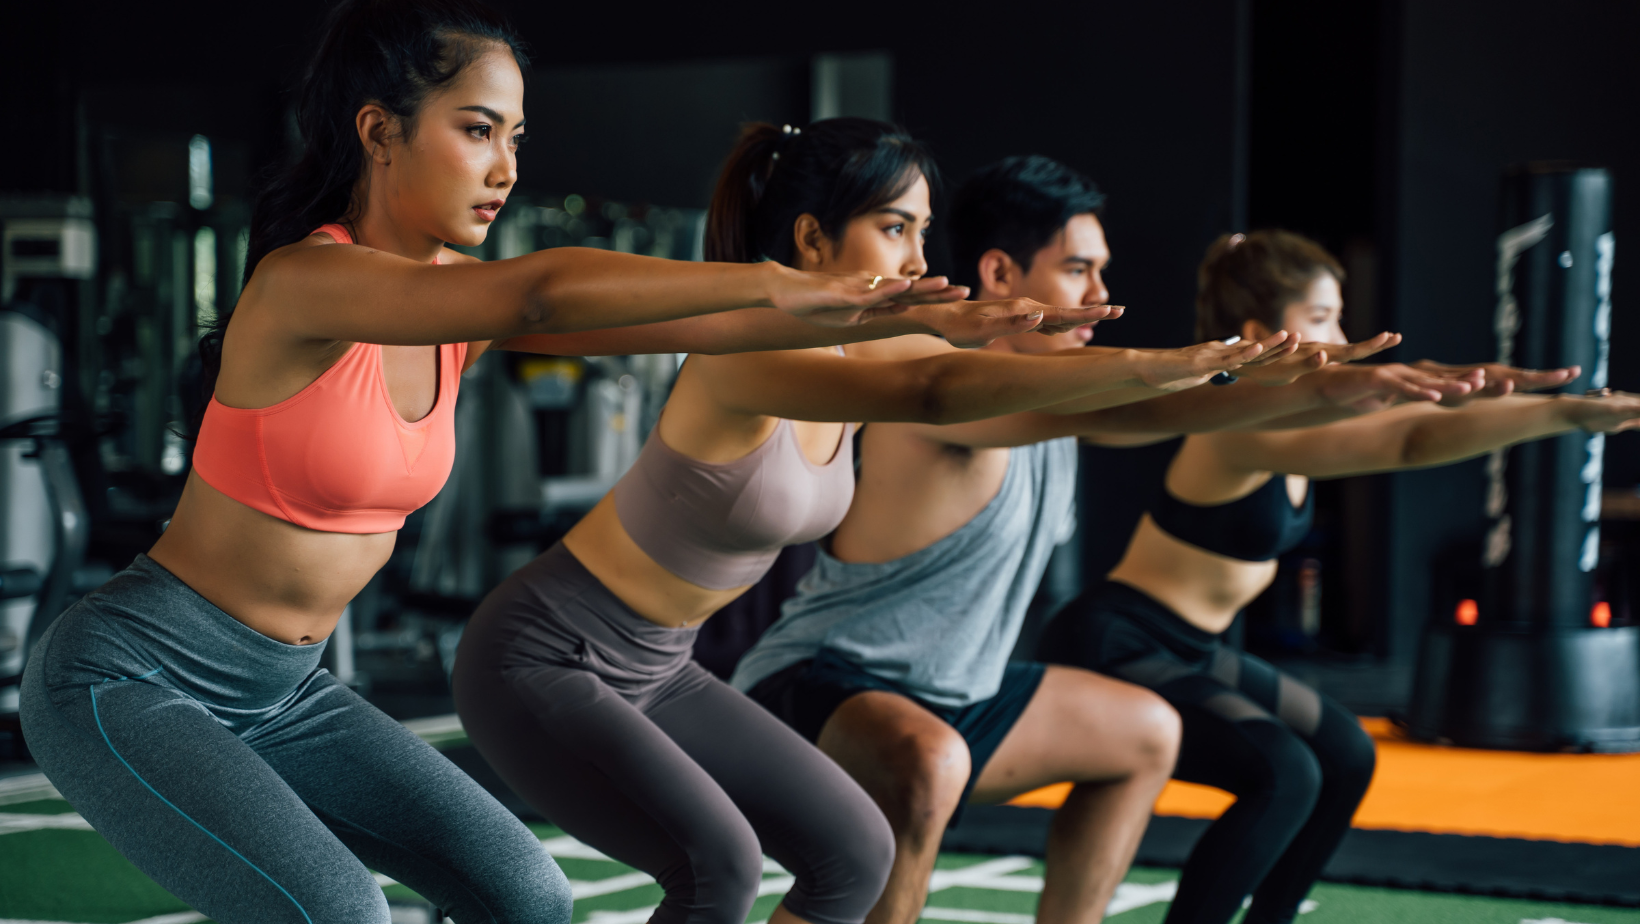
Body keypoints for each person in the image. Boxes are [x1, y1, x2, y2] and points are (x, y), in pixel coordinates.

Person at [12, 5, 1085, 921]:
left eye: (516, 137)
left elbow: (669, 332)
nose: (506, 169)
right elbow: (541, 292)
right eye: (477, 130)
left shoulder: (443, 314)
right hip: (133, 673)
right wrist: (788, 285)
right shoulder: (307, 283)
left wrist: (1004, 339)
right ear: (378, 131)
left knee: (528, 896)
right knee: (341, 913)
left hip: (287, 691)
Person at [453, 121, 1295, 924]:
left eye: (924, 232)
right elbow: (936, 390)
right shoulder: (754, 351)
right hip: (549, 648)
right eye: (896, 229)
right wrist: (1159, 366)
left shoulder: (858, 349)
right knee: (718, 868)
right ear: (815, 240)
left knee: (855, 854)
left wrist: (1238, 389)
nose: (920, 260)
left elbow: (1052, 404)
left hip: (662, 665)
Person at [729, 155, 1538, 924]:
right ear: (1002, 275)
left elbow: (1149, 406)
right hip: (823, 682)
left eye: (1098, 269)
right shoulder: (953, 390)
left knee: (1147, 731)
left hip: (963, 695)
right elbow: (1148, 406)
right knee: (928, 761)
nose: (1100, 291)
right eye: (1078, 269)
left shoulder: (1057, 404)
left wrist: (1512, 409)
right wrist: (1307, 382)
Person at [1036, 228, 1638, 924]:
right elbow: (1406, 439)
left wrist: (1495, 395)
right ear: (1264, 333)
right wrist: (1558, 415)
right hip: (1120, 640)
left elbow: (1412, 409)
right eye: (1321, 319)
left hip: (1191, 647)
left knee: (1347, 755)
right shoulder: (1242, 426)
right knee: (1285, 774)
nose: (1342, 335)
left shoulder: (1294, 414)